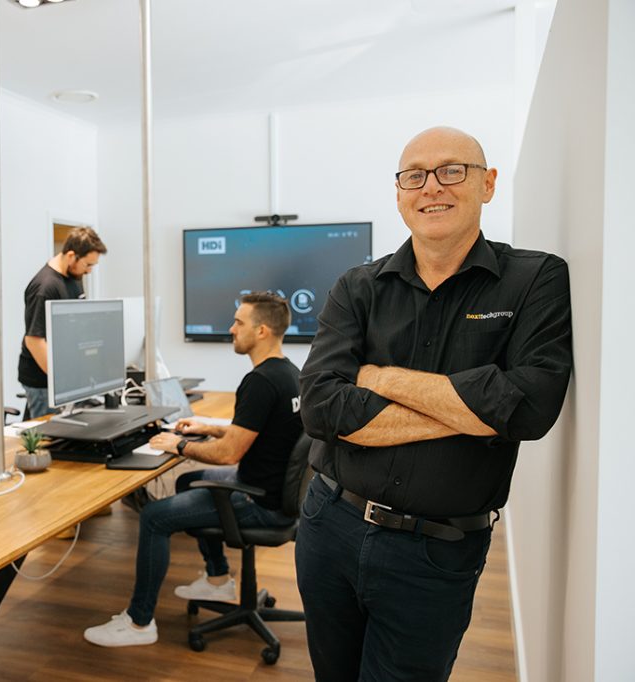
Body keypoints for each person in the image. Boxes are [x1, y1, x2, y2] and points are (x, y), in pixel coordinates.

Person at [296, 127, 573, 681]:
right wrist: (472, 411)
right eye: (414, 176)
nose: (431, 187)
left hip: (438, 551)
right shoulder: (357, 286)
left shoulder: (535, 279)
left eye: (452, 170)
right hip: (329, 525)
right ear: (399, 193)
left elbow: (527, 409)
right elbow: (322, 408)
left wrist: (381, 378)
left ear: (487, 184)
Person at [83, 292, 304, 647]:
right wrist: (208, 428)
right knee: (188, 480)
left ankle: (139, 623)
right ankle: (217, 579)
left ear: (262, 331)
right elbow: (257, 433)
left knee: (153, 517)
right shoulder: (289, 373)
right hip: (278, 495)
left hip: (258, 502)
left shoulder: (260, 382)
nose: (231, 329)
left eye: (239, 322)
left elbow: (229, 455)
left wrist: (180, 445)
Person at [18, 226, 108, 418]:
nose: (89, 271)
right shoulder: (45, 287)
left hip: (68, 379)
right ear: (71, 255)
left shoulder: (74, 276)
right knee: (49, 434)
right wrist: (60, 380)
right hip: (44, 382)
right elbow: (34, 340)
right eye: (87, 265)